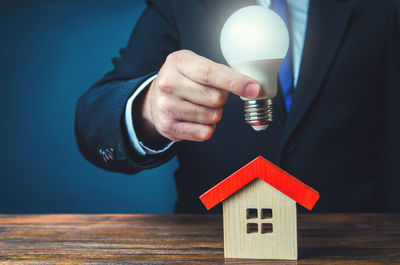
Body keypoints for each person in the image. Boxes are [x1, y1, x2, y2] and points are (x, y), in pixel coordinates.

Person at [75, 0, 400, 213]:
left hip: (349, 243)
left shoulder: (380, 8)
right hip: (216, 243)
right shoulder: (181, 5)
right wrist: (148, 108)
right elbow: (94, 121)